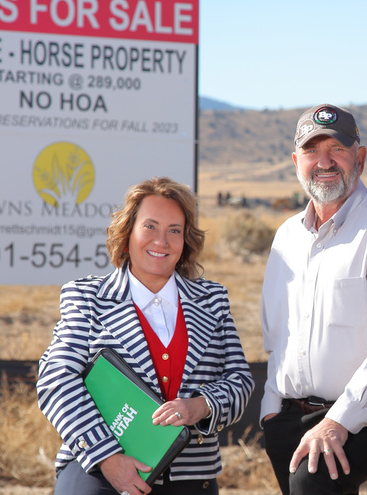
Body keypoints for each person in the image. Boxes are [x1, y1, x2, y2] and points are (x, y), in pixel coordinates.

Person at [259, 104, 367, 495]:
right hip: (289, 413)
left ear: (360, 156)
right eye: (311, 151)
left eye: (336, 149)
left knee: (314, 483)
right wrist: (271, 411)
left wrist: (339, 420)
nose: (323, 162)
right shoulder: (287, 237)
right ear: (296, 160)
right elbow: (276, 332)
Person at [37, 177, 254, 495]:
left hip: (191, 476)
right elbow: (56, 380)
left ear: (186, 241)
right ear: (127, 235)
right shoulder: (87, 296)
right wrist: (108, 457)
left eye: (174, 230)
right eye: (150, 226)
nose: (162, 240)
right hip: (99, 471)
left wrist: (201, 406)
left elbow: (240, 381)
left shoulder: (212, 299)